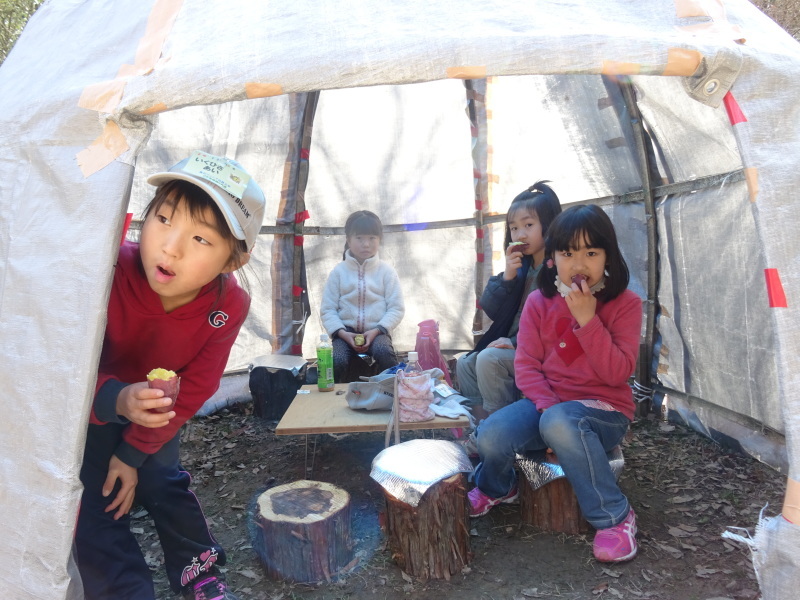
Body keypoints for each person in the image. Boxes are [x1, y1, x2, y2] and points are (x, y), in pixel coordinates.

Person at [75, 151, 266, 600]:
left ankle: (198, 574)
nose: (170, 246)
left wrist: (133, 455)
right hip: (88, 410)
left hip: (158, 417)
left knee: (164, 482)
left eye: (200, 239)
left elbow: (197, 384)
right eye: (163, 219)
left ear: (231, 261)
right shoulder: (106, 270)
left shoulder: (228, 307)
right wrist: (116, 400)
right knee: (93, 504)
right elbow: (63, 363)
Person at [468, 204, 643, 564]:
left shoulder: (626, 304)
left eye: (591, 253)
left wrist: (588, 320)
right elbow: (527, 365)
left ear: (609, 256)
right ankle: (499, 488)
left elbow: (617, 374)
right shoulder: (538, 301)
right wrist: (548, 411)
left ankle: (615, 517)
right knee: (491, 434)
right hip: (549, 406)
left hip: (605, 410)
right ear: (553, 258)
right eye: (568, 253)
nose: (579, 264)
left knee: (560, 422)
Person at [455, 182, 562, 445]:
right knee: (465, 363)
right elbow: (490, 308)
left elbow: (553, 326)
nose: (520, 233)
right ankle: (480, 430)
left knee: (489, 359)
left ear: (549, 225)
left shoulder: (557, 268)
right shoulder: (522, 267)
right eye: (514, 227)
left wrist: (514, 343)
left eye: (528, 225)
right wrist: (508, 275)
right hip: (517, 346)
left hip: (543, 351)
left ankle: (500, 434)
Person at [320, 210, 405, 382]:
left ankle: (393, 395)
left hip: (377, 332)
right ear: (348, 240)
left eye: (372, 238)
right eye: (359, 238)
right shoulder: (339, 272)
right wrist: (343, 334)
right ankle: (336, 402)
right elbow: (328, 309)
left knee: (384, 353)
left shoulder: (386, 272)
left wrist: (376, 330)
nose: (366, 244)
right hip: (345, 333)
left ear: (379, 240)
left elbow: (396, 308)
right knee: (337, 360)